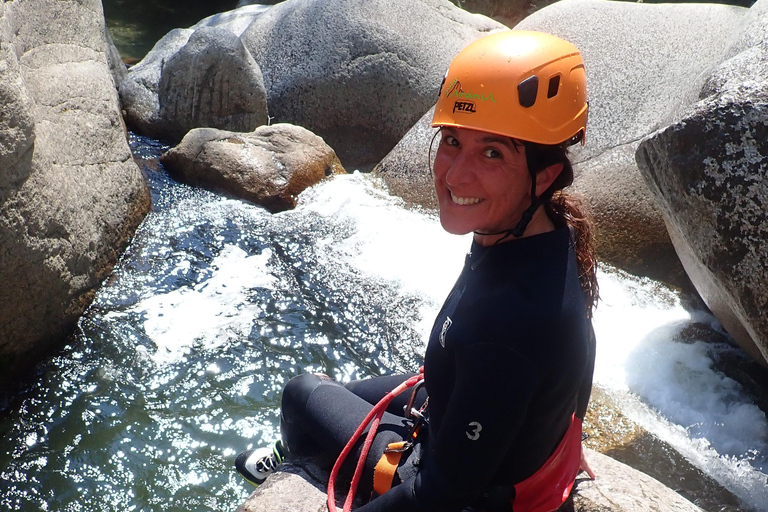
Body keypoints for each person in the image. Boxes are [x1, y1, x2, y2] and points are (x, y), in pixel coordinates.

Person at [235, 29, 598, 512]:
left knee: (303, 395)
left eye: (493, 152)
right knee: (329, 393)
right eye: (452, 141)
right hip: (468, 408)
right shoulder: (547, 233)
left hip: (471, 487)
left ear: (544, 175)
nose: (455, 174)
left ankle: (293, 462)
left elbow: (441, 495)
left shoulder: (514, 324)